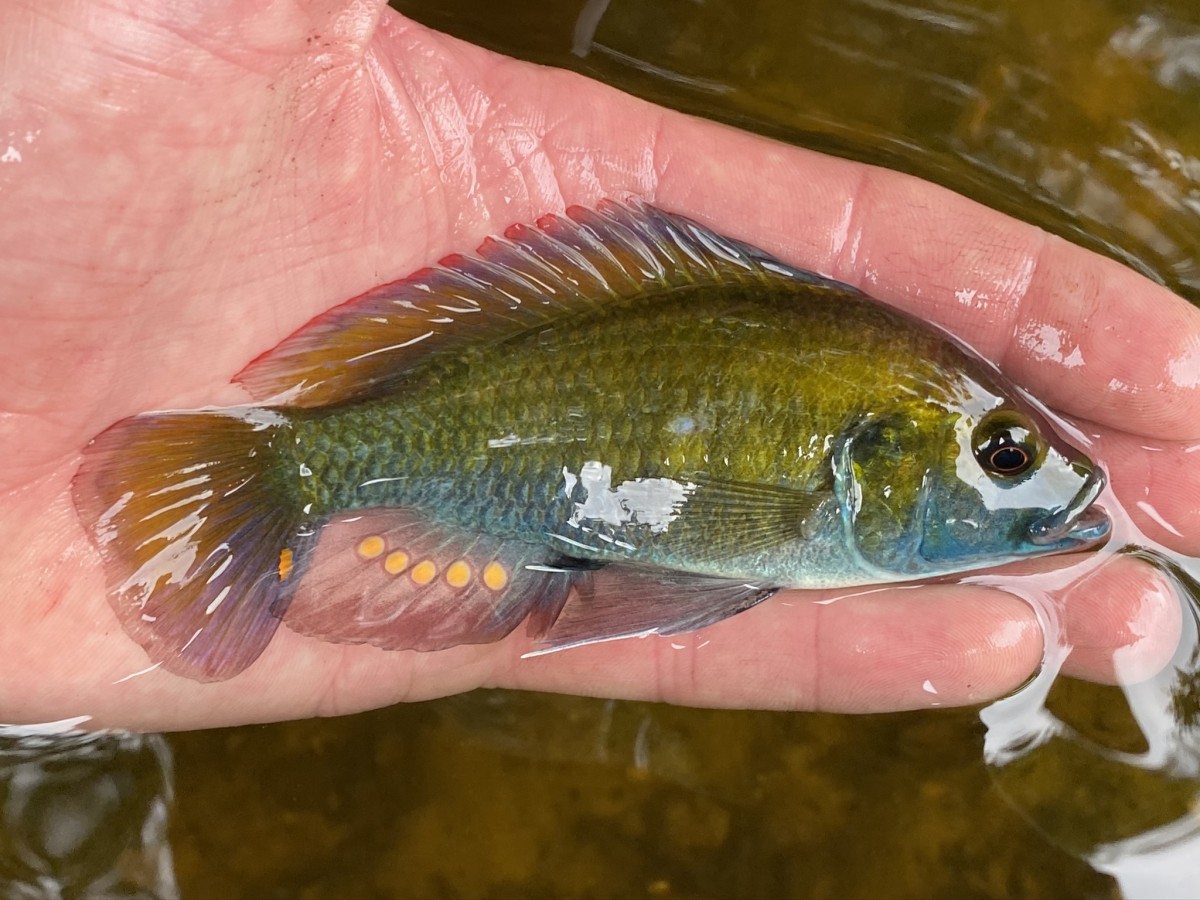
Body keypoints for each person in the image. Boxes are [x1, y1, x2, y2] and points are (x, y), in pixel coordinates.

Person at [0, 0, 1195, 731]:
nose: (1036, 480)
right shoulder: (849, 436)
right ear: (873, 461)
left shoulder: (862, 427)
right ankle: (295, 468)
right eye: (1005, 451)